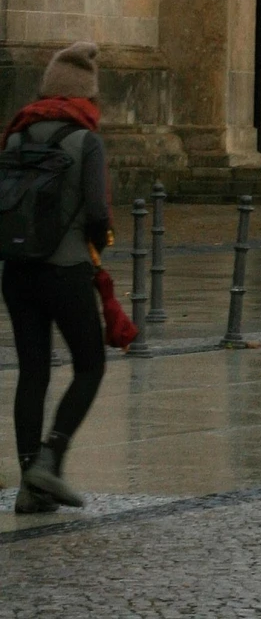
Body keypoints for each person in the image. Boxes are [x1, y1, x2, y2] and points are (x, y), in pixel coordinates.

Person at [0, 41, 112, 512]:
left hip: (17, 270)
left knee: (33, 371)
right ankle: (52, 455)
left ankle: (30, 483)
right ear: (86, 94)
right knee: (90, 365)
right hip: (65, 271)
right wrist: (98, 245)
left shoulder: (15, 136)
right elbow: (98, 214)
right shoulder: (86, 140)